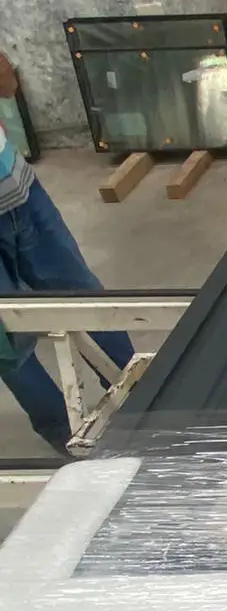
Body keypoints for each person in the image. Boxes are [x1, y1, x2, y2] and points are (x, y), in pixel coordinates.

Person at [0, 52, 134, 454]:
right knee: (8, 339)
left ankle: (138, 395)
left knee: (82, 296)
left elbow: (7, 84)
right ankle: (66, 435)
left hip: (19, 192)